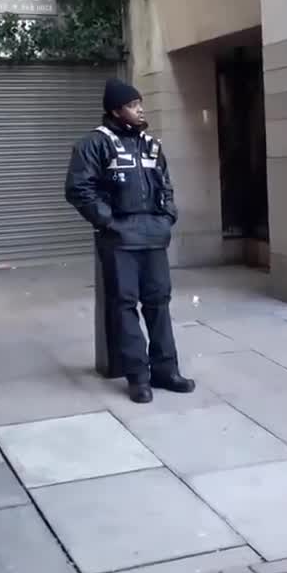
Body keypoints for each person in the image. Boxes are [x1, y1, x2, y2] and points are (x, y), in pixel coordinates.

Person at [64, 79, 195, 404]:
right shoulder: (95, 143)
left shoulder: (151, 144)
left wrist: (167, 217)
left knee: (159, 303)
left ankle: (166, 371)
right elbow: (78, 189)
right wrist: (109, 222)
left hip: (154, 237)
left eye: (140, 104)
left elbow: (165, 186)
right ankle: (137, 377)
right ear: (115, 110)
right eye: (134, 105)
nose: (141, 110)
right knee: (124, 307)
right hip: (120, 240)